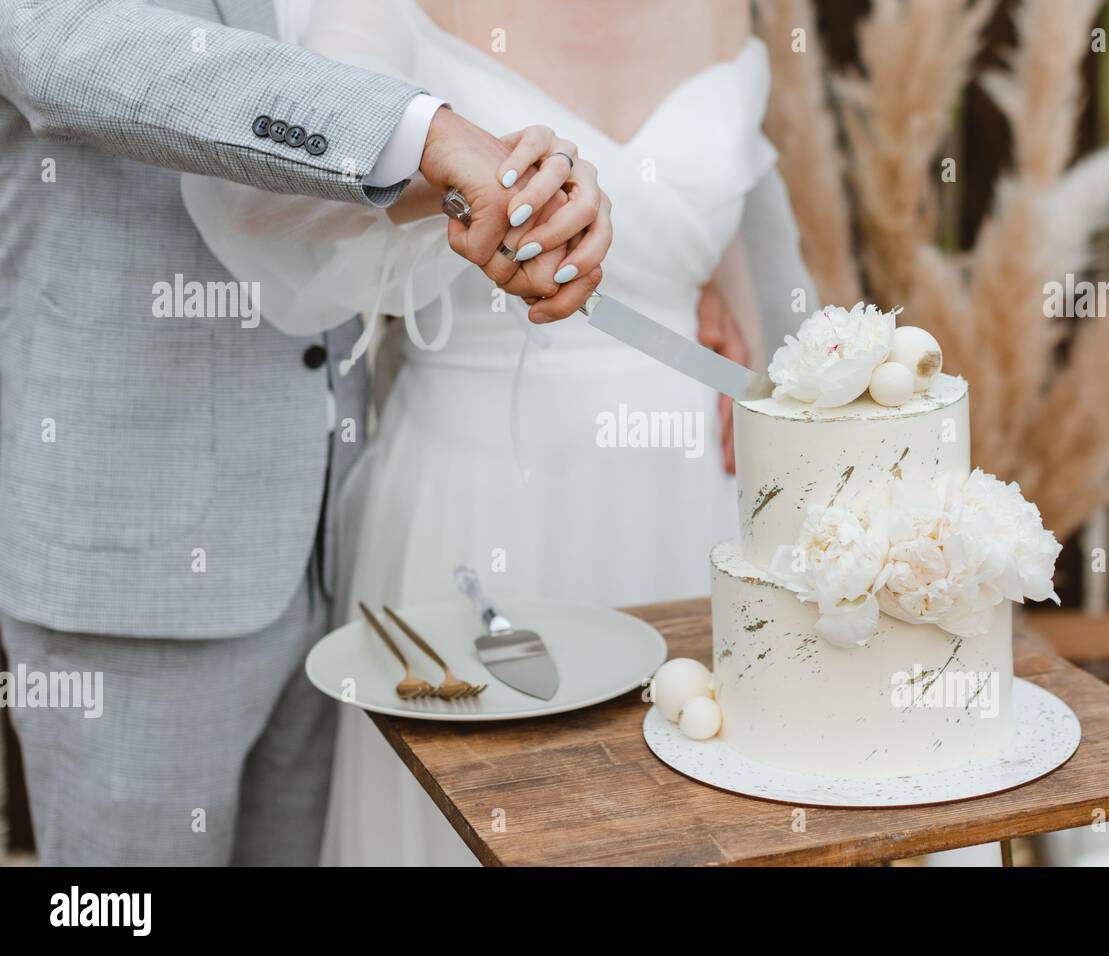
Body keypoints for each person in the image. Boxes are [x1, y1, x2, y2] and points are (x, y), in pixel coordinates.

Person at [183, 0, 816, 865]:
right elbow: (261, 193)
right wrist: (451, 179)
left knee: (694, 809)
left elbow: (727, 212)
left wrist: (767, 392)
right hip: (479, 493)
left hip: (694, 497)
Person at [0, 0, 610, 865]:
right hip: (131, 563)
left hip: (335, 547)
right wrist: (425, 131)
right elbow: (67, 47)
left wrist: (527, 185)